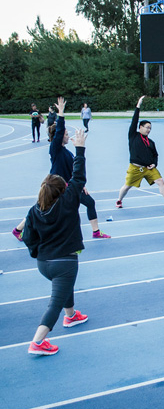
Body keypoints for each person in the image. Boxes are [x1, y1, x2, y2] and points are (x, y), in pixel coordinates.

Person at [22, 127, 91, 355]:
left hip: (44, 264)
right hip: (64, 262)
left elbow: (28, 238)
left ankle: (70, 316)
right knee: (54, 303)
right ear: (63, 191)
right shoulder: (68, 202)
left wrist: (37, 254)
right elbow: (78, 177)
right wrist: (80, 148)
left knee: (63, 290)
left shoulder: (34, 210)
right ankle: (38, 341)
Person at [12, 98, 110, 241]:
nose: (67, 136)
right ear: (58, 137)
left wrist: (82, 185)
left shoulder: (66, 151)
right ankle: (18, 230)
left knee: (90, 202)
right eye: (65, 134)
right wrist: (61, 113)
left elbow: (73, 170)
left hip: (68, 185)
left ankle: (96, 231)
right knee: (40, 207)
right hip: (55, 185)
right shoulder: (55, 148)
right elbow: (58, 132)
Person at [116, 96, 164, 212]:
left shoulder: (151, 142)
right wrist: (138, 106)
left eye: (150, 128)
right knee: (127, 186)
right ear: (140, 127)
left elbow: (155, 155)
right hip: (135, 168)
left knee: (161, 182)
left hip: (148, 168)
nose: (148, 130)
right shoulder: (133, 136)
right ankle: (119, 200)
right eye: (147, 127)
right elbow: (134, 120)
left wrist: (154, 164)